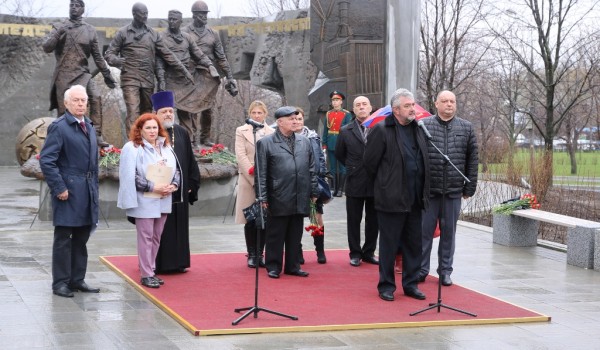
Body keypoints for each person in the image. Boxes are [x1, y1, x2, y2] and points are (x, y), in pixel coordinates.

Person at [364, 88, 430, 302]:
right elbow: (370, 164)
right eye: (408, 106)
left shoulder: (419, 129)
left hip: (415, 199)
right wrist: (385, 186)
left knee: (413, 244)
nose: (413, 109)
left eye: (413, 105)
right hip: (391, 199)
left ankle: (410, 284)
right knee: (390, 245)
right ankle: (386, 286)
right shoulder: (382, 130)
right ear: (395, 110)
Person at [39, 84, 101, 298]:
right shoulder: (59, 127)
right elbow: (47, 160)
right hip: (68, 192)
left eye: (83, 100)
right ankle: (60, 283)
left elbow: (93, 161)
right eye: (76, 100)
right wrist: (59, 187)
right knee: (64, 238)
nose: (80, 104)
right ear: (66, 103)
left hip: (87, 191)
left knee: (82, 236)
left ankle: (77, 279)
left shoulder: (89, 126)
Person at [104, 2, 193, 135]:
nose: (145, 16)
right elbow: (109, 54)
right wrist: (115, 60)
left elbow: (167, 54)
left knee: (147, 113)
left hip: (147, 78)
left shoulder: (153, 34)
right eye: (142, 14)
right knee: (133, 110)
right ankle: (133, 145)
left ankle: (146, 142)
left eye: (146, 14)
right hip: (130, 78)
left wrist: (184, 70)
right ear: (134, 14)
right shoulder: (123, 33)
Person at [419, 90, 479, 286]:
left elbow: (473, 160)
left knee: (448, 234)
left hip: (453, 190)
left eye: (452, 101)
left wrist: (469, 188)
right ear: (436, 104)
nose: (449, 104)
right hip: (429, 191)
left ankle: (445, 271)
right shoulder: (424, 126)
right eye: (444, 101)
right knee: (424, 233)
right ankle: (421, 269)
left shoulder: (466, 128)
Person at [117, 113, 181, 288]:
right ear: (140, 130)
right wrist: (153, 187)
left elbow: (176, 170)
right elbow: (131, 176)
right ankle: (146, 274)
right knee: (145, 237)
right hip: (144, 199)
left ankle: (151, 270)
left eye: (154, 127)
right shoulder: (132, 148)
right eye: (148, 128)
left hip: (163, 198)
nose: (152, 131)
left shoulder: (166, 147)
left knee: (156, 237)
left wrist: (173, 186)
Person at [42, 0, 117, 148]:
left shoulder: (90, 30)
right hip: (64, 74)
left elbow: (97, 56)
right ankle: (63, 143)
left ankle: (96, 134)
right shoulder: (59, 26)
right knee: (65, 112)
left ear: (83, 9)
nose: (74, 8)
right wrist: (59, 32)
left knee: (96, 96)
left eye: (77, 5)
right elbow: (47, 47)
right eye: (72, 5)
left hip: (82, 73)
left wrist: (107, 74)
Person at [255, 106, 318, 279]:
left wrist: (313, 190)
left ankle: (293, 265)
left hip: (300, 192)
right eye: (290, 118)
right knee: (276, 232)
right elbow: (261, 173)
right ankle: (273, 266)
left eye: (295, 118)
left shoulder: (304, 141)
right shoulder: (266, 143)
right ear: (280, 122)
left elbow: (312, 168)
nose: (294, 121)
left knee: (295, 232)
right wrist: (262, 197)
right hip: (278, 193)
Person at [151, 91, 201, 274]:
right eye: (164, 111)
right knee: (158, 229)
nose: (168, 114)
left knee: (178, 226)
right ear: (156, 113)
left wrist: (190, 184)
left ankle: (179, 262)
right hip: (158, 190)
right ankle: (157, 263)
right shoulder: (150, 131)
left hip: (179, 190)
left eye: (170, 111)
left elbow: (190, 161)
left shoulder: (181, 132)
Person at [156, 9, 219, 146]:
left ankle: (187, 143)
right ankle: (165, 143)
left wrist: (209, 65)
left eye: (175, 19)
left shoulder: (187, 37)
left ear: (181, 21)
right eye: (170, 19)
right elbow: (159, 60)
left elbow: (198, 54)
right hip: (169, 79)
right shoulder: (161, 37)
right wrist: (161, 79)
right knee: (166, 113)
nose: (171, 22)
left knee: (186, 113)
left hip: (186, 80)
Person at [183, 0, 238, 146]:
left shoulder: (213, 33)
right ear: (194, 15)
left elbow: (221, 57)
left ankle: (205, 137)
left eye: (205, 14)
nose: (204, 17)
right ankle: (192, 138)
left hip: (209, 76)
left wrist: (230, 77)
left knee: (208, 108)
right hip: (192, 75)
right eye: (201, 14)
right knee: (192, 108)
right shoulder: (185, 32)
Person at [335, 96, 379, 267]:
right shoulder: (346, 130)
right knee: (354, 219)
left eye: (364, 104)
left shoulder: (379, 127)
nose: (361, 107)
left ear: (370, 108)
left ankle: (369, 252)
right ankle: (355, 253)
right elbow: (339, 154)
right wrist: (352, 166)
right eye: (358, 105)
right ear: (353, 110)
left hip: (375, 180)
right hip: (355, 180)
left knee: (373, 220)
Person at [234, 101, 275, 268]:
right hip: (248, 179)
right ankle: (251, 254)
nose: (257, 115)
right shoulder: (241, 130)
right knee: (250, 218)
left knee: (264, 217)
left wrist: (264, 177)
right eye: (254, 113)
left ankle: (260, 253)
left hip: (266, 180)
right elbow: (240, 155)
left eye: (260, 113)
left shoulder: (271, 132)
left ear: (265, 114)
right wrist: (252, 172)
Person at [294, 107, 328, 264]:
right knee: (296, 221)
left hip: (313, 183)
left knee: (317, 218)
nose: (296, 122)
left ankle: (320, 251)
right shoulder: (284, 138)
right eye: (293, 119)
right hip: (293, 185)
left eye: (299, 119)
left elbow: (320, 158)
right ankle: (298, 252)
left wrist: (321, 176)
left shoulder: (313, 137)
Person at [322, 90, 352, 197]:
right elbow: (325, 130)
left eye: (337, 100)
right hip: (330, 143)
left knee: (342, 167)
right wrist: (324, 144)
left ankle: (340, 189)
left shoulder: (346, 114)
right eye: (333, 100)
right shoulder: (328, 114)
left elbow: (348, 130)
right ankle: (334, 189)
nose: (335, 102)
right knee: (333, 167)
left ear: (341, 101)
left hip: (342, 143)